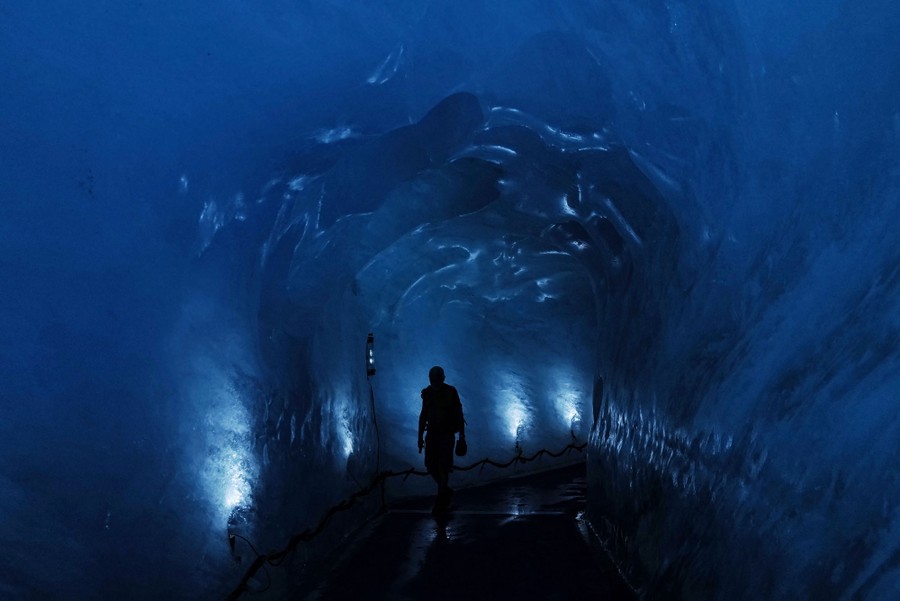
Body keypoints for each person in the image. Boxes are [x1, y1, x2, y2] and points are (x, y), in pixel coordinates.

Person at [417, 365, 465, 512]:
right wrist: (420, 437)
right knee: (431, 466)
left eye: (436, 378)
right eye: (432, 379)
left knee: (443, 466)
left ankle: (441, 499)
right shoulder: (428, 394)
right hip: (432, 434)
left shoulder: (451, 392)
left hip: (446, 434)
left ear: (442, 378)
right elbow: (423, 415)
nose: (434, 381)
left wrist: (462, 436)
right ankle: (444, 491)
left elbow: (458, 414)